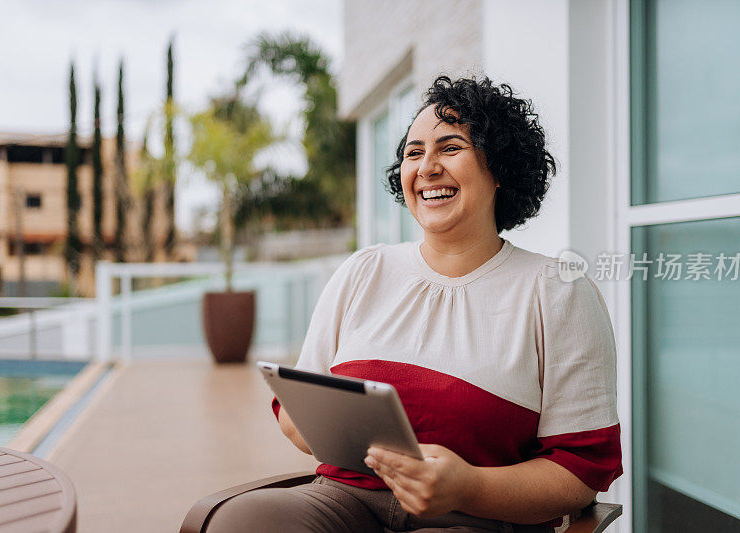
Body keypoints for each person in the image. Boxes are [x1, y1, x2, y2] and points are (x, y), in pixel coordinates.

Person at [206, 76, 622, 533]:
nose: (426, 167)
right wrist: (321, 424)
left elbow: (580, 471)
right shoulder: (364, 271)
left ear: (499, 167)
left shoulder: (557, 291)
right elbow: (293, 415)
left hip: (479, 517)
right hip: (343, 502)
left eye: (450, 148)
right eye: (413, 152)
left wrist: (468, 487)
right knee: (241, 520)